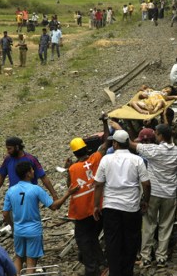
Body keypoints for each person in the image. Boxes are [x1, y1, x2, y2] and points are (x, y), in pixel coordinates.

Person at [3, 161, 79, 275]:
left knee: (18, 257)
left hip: (18, 230)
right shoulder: (36, 189)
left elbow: (5, 214)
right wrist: (68, 193)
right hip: (33, 230)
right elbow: (54, 206)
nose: (34, 171)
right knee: (31, 262)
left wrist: (13, 226)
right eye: (32, 170)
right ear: (28, 174)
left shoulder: (11, 191)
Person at [93, 130, 151, 276]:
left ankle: (115, 272)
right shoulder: (137, 160)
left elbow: (98, 184)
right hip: (131, 208)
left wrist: (95, 205)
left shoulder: (106, 159)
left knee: (112, 242)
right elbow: (146, 184)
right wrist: (145, 200)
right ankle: (127, 272)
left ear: (115, 144)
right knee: (130, 241)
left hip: (111, 207)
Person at [129, 124, 177, 269]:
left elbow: (132, 145)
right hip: (169, 194)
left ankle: (146, 257)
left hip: (153, 193)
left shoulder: (154, 150)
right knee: (166, 225)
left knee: (149, 225)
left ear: (159, 135)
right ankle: (161, 257)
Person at [65, 115, 110, 276]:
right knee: (92, 237)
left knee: (83, 240)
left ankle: (92, 270)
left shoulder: (72, 169)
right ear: (86, 149)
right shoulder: (96, 158)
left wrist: (67, 168)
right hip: (98, 207)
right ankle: (103, 263)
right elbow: (106, 141)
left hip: (82, 212)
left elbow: (70, 187)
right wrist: (105, 122)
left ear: (74, 153)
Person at [0, 137, 59, 206]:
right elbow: (1, 175)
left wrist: (54, 194)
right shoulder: (8, 159)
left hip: (30, 195)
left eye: (10, 149)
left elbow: (43, 177)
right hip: (14, 194)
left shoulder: (31, 159)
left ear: (17, 147)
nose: (8, 151)